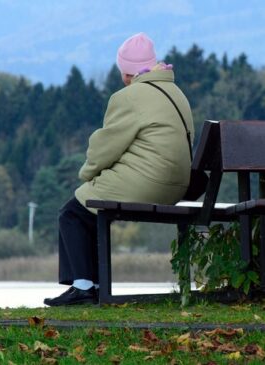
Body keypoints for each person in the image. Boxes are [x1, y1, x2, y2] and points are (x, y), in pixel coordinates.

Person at [44, 32, 194, 306]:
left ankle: (84, 287)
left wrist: (88, 175)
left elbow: (105, 147)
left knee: (73, 211)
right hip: (176, 187)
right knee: (89, 211)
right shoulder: (176, 93)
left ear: (126, 73)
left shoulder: (130, 96)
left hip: (146, 183)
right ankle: (94, 285)